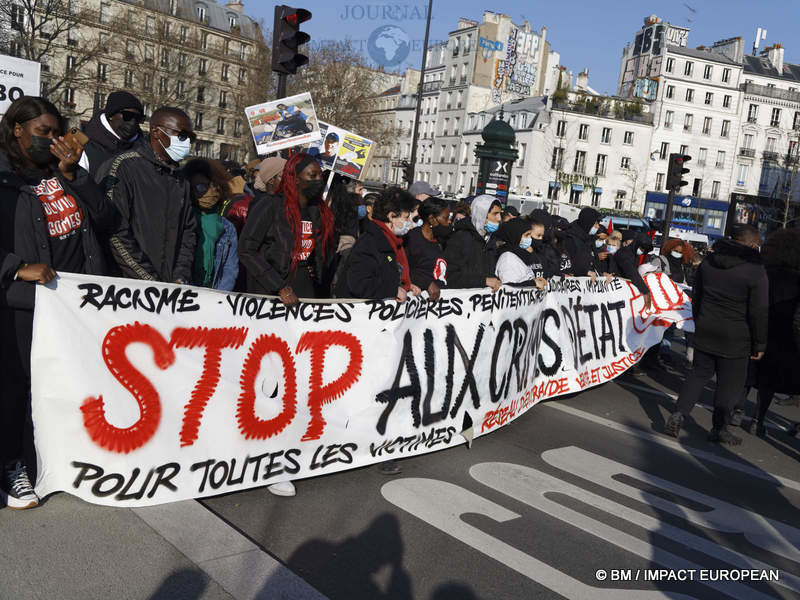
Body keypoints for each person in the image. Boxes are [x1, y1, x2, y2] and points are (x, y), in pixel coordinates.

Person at [0, 96, 114, 509]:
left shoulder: (61, 172)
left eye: (55, 133)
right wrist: (15, 267)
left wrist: (75, 177)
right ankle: (13, 467)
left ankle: (57, 461)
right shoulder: (4, 176)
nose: (50, 141)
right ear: (17, 130)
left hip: (72, 303)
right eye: (40, 133)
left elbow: (107, 218)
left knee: (63, 384)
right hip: (25, 304)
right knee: (18, 388)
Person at [340, 187, 421, 476]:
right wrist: (391, 289)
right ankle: (366, 446)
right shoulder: (372, 244)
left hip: (386, 330)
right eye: (409, 216)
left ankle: (379, 442)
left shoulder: (396, 241)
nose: (412, 221)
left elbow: (394, 274)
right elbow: (359, 284)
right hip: (368, 331)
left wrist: (406, 285)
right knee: (370, 391)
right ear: (391, 216)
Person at [665, 225, 768, 445]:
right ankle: (719, 428)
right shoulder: (755, 270)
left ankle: (679, 413)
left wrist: (699, 320)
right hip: (737, 336)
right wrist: (760, 343)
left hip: (706, 327)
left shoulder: (709, 262)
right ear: (751, 245)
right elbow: (759, 310)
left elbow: (697, 294)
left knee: (698, 374)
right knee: (729, 384)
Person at [97, 106, 197, 283]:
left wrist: (180, 276)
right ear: (156, 132)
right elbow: (115, 232)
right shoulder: (123, 167)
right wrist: (149, 280)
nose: (186, 142)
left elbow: (188, 231)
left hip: (169, 288)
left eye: (190, 138)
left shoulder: (181, 178)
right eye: (181, 135)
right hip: (126, 287)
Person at [239, 153, 335, 306]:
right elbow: (246, 249)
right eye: (313, 175)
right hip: (270, 292)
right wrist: (279, 287)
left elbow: (320, 254)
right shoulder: (270, 206)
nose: (319, 180)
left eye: (320, 176)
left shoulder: (318, 211)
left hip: (305, 289)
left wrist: (315, 270)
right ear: (295, 178)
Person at [748, 228, 800, 437]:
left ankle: (739, 411)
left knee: (753, 374)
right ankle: (758, 419)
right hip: (788, 334)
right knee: (772, 380)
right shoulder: (797, 278)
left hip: (762, 328)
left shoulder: (763, 272)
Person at [181, 159, 238, 291]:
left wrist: (217, 298)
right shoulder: (180, 221)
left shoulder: (228, 228)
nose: (211, 192)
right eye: (202, 187)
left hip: (211, 297)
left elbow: (229, 270)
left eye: (216, 186)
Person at [79, 91, 144, 177]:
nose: (133, 122)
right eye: (127, 116)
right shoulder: (84, 149)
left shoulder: (144, 149)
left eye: (138, 118)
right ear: (111, 115)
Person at [443, 195, 501, 291]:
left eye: (500, 213)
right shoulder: (460, 238)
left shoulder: (491, 240)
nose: (499, 218)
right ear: (482, 214)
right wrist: (483, 281)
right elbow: (450, 276)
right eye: (495, 214)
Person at [404, 197, 451, 301]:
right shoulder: (412, 239)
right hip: (419, 303)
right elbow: (403, 269)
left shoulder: (443, 240)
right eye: (446, 218)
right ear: (432, 219)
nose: (449, 222)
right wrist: (427, 283)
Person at [494, 218, 547, 289]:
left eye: (530, 235)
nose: (530, 239)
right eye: (527, 235)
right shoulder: (507, 258)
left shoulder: (521, 255)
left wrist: (536, 281)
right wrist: (533, 283)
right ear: (515, 235)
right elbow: (507, 289)